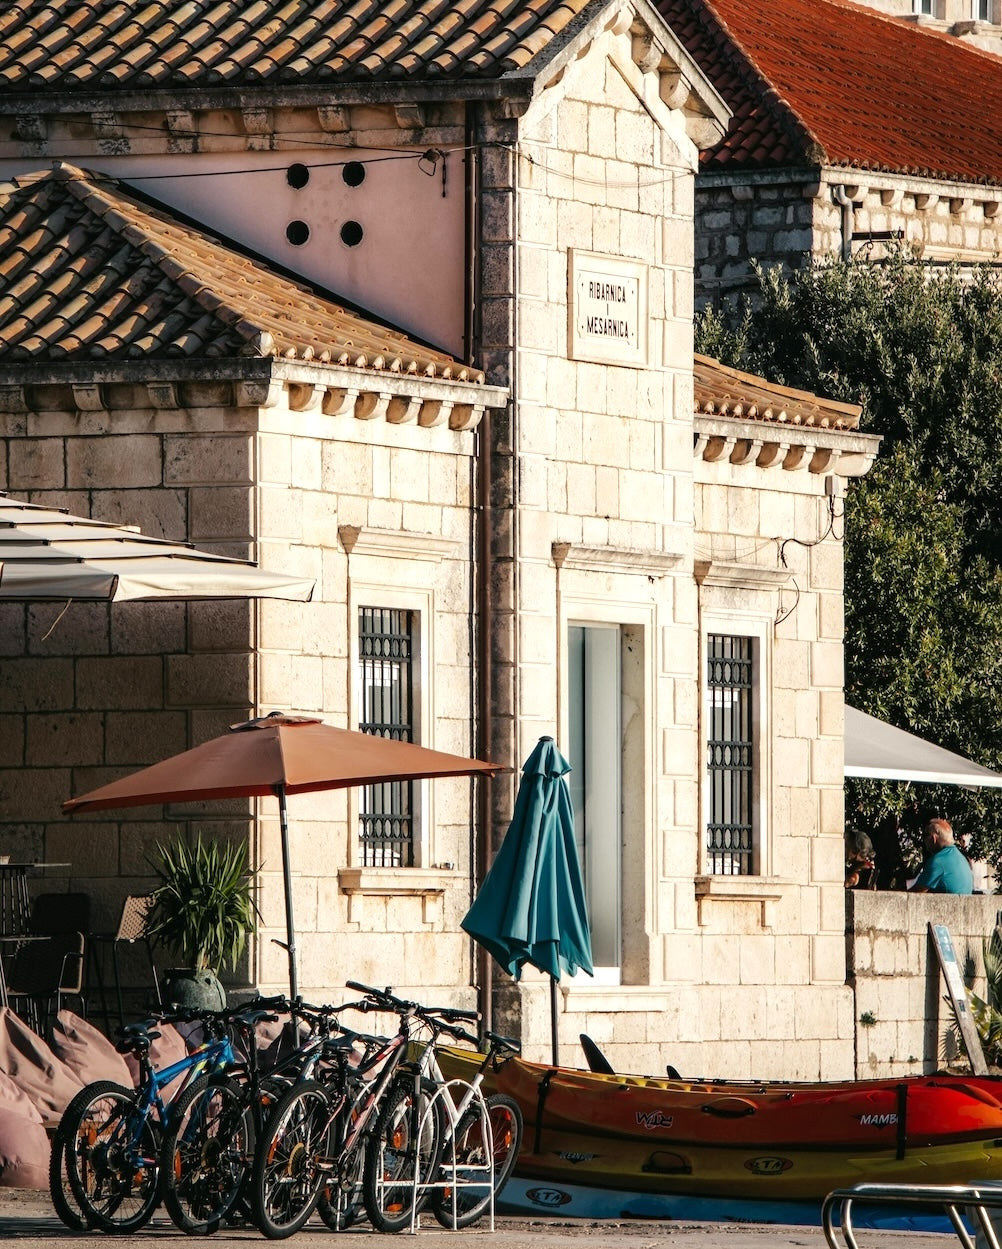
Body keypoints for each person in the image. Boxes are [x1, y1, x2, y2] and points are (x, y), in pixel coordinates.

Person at [909, 818, 974, 894]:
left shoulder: (938, 861)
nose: (924, 840)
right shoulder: (961, 858)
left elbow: (916, 893)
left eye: (925, 835)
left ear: (933, 838)